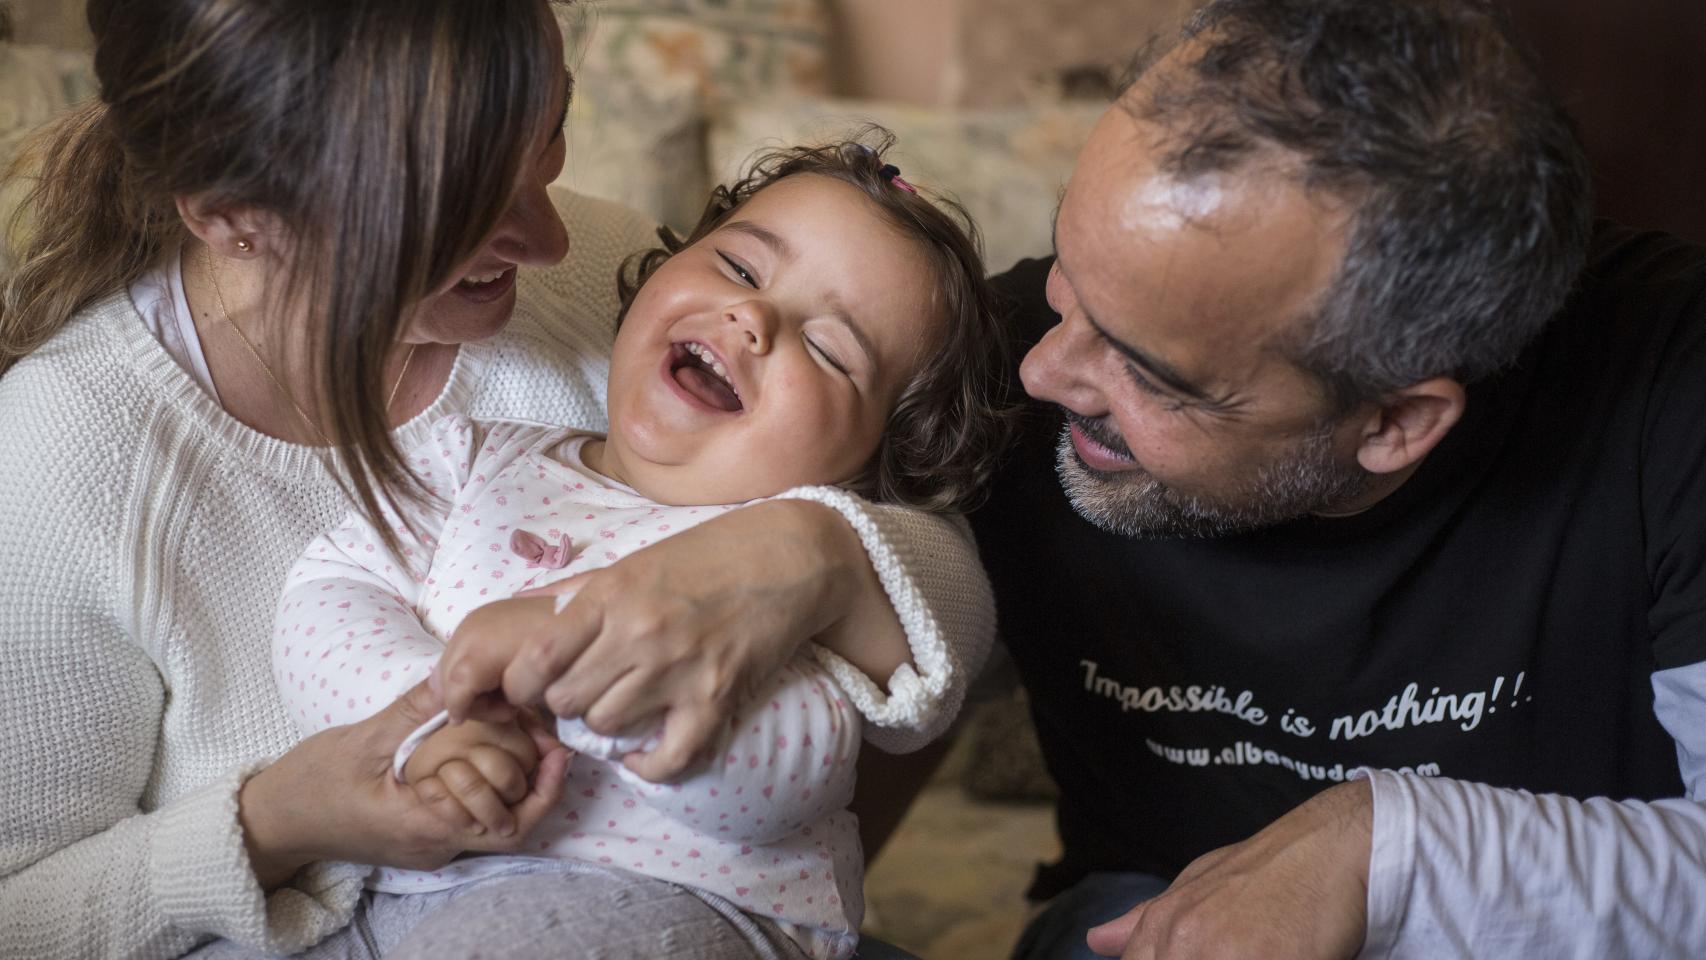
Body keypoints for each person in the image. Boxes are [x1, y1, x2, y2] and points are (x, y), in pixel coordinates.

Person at [0, 3, 991, 958]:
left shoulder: (605, 270)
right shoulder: (63, 458)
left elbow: (936, 558)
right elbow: (20, 918)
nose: (550, 238)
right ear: (234, 217)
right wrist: (279, 819)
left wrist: (797, 554)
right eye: (462, 205)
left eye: (547, 131)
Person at [969, 0, 1706, 957]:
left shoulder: (1676, 378)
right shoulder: (1008, 343)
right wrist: (822, 537)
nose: (1042, 371)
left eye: (1149, 373)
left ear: (1395, 423)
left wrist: (1388, 847)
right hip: (1141, 900)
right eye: (1069, 265)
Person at [269, 138, 1008, 960]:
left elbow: (776, 783)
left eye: (830, 350)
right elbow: (329, 589)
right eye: (738, 268)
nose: (753, 319)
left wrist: (592, 690)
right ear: (658, 267)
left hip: (671, 905)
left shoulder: (789, 584)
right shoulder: (475, 457)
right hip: (393, 884)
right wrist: (427, 717)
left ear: (877, 462)